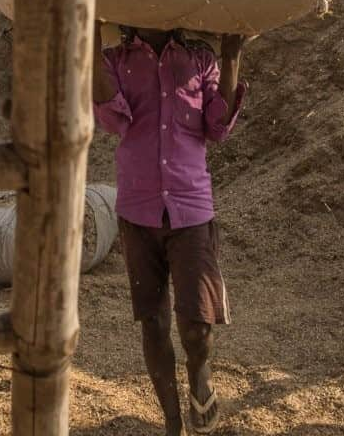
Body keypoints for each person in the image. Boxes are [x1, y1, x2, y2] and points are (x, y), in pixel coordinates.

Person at [93, 23, 247, 436]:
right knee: (153, 322)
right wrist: (89, 45)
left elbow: (218, 128)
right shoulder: (114, 61)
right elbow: (111, 119)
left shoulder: (200, 59)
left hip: (191, 208)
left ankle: (200, 375)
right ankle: (172, 423)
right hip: (137, 209)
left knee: (197, 326)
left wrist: (232, 56)